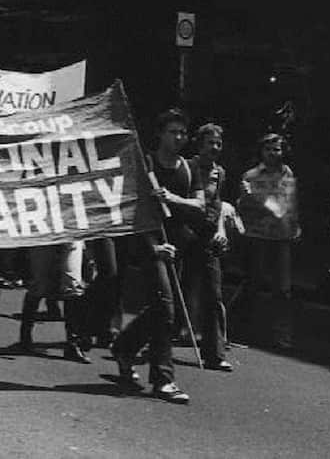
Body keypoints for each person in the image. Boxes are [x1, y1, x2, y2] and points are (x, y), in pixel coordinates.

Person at [111, 109, 200, 404]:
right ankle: (164, 379)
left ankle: (124, 345)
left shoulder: (189, 168)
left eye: (183, 133)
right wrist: (153, 248)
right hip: (150, 245)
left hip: (177, 246)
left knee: (165, 311)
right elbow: (132, 210)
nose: (179, 138)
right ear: (160, 134)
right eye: (173, 132)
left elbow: (199, 204)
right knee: (165, 306)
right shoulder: (144, 163)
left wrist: (172, 199)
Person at [238, 133, 300, 349]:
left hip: (282, 236)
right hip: (258, 235)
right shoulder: (250, 176)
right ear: (261, 151)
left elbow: (289, 204)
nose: (274, 153)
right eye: (269, 149)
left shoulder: (288, 174)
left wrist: (294, 223)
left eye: (278, 149)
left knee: (283, 289)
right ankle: (242, 330)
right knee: (253, 283)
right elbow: (243, 207)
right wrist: (259, 203)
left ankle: (282, 336)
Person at [182, 123, 231, 370]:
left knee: (214, 293)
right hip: (184, 234)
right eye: (210, 143)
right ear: (199, 145)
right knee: (179, 291)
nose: (214, 148)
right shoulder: (187, 167)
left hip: (208, 237)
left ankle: (215, 353)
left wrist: (221, 230)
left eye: (218, 144)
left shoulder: (219, 173)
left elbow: (218, 203)